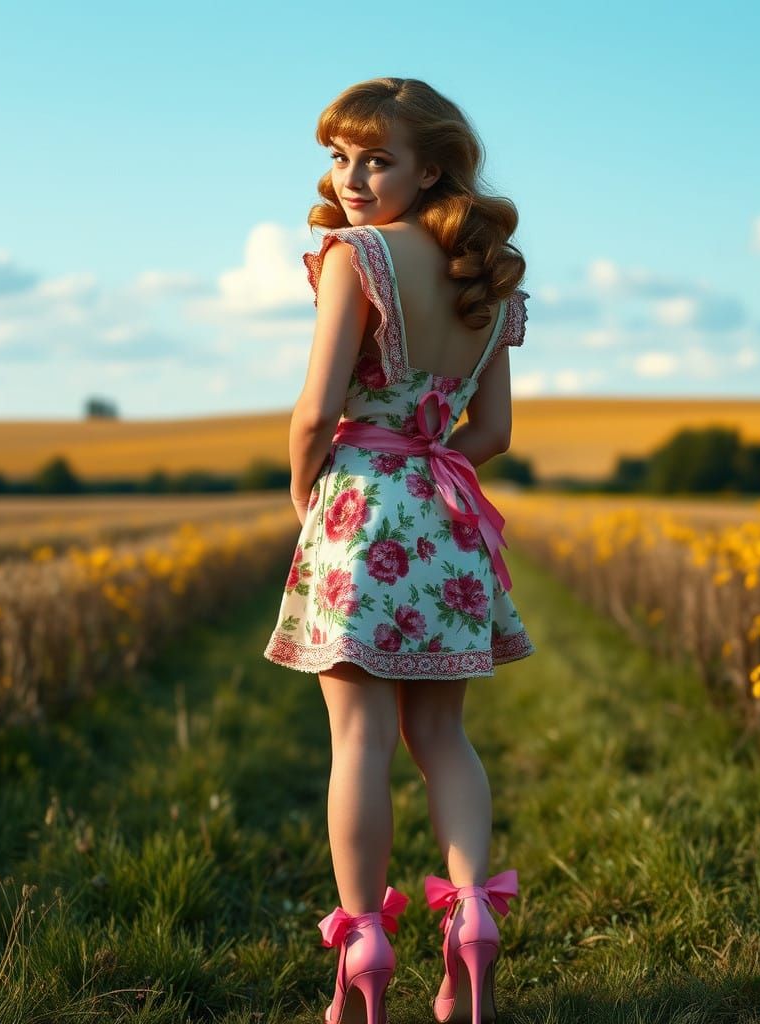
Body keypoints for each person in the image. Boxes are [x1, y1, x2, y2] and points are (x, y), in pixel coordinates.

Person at [262, 76, 534, 1024]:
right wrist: (428, 471)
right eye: (340, 157)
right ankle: (471, 924)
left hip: (360, 509)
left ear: (431, 169)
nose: (352, 177)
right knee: (443, 737)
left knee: (361, 738)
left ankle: (361, 949)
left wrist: (312, 491)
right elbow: (491, 429)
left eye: (378, 159)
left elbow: (314, 409)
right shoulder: (489, 279)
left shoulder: (355, 257)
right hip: (446, 511)